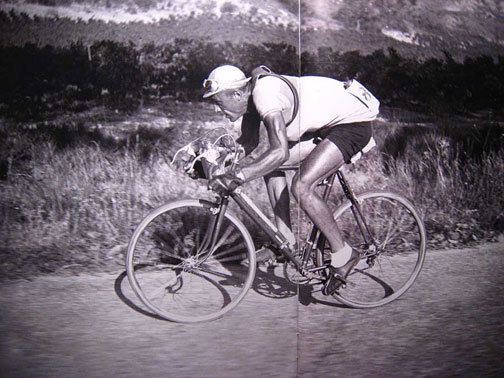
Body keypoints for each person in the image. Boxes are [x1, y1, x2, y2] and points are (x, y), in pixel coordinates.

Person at [202, 65, 379, 293]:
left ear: (236, 94)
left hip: (352, 125)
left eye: (218, 102)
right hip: (327, 125)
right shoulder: (249, 101)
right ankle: (285, 240)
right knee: (268, 166)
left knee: (301, 186)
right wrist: (215, 161)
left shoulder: (265, 96)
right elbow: (248, 143)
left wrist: (239, 175)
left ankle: (344, 254)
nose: (217, 110)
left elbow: (280, 152)